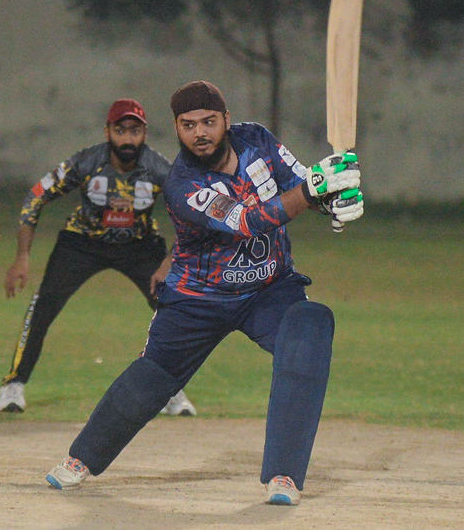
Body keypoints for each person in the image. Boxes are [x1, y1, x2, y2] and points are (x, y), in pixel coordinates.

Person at [45, 81, 364, 505]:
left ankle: (284, 475)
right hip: (197, 299)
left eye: (209, 122)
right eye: (188, 125)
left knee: (310, 327)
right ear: (177, 128)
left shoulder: (257, 140)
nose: (200, 133)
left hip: (269, 289)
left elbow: (300, 183)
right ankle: (81, 458)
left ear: (226, 120)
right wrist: (312, 192)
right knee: (153, 377)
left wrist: (332, 199)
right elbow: (249, 221)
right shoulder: (183, 184)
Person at [0, 98, 196, 417]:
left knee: (171, 310)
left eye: (135, 131)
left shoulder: (160, 169)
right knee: (43, 306)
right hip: (82, 243)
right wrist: (22, 257)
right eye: (120, 130)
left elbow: (192, 215)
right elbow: (36, 196)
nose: (128, 139)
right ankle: (13, 384)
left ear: (144, 134)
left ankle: (170, 389)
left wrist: (168, 261)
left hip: (140, 245)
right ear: (107, 132)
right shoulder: (87, 162)